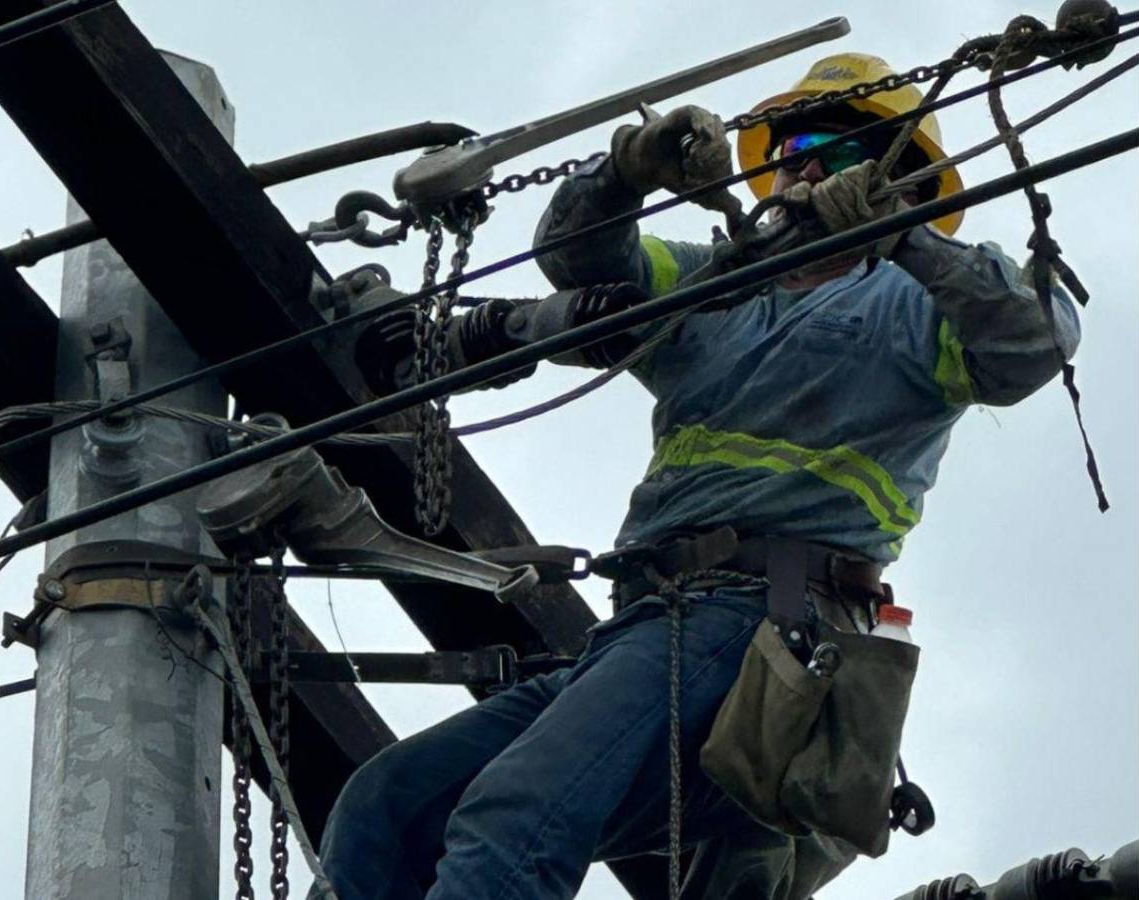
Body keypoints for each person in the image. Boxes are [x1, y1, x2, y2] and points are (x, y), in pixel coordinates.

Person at [315, 53, 1080, 900]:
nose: (803, 163)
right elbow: (582, 264)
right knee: (386, 805)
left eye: (833, 143)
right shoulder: (720, 284)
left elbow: (1036, 340)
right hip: (644, 625)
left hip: (764, 623)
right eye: (788, 148)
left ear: (900, 176)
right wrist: (622, 172)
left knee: (517, 812)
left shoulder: (913, 304)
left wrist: (901, 241)